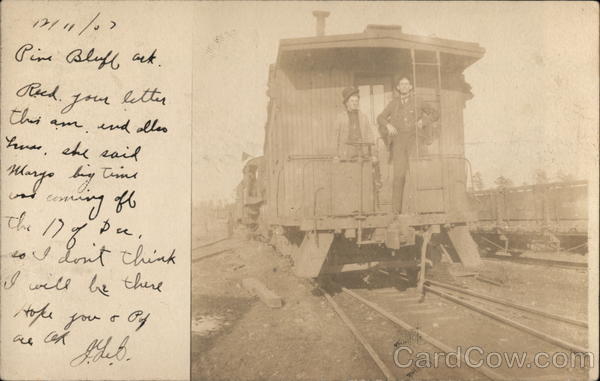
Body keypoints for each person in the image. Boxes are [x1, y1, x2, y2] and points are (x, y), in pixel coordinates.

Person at [377, 76, 439, 213]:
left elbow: (435, 113)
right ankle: (395, 211)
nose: (404, 86)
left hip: (414, 141)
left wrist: (424, 121)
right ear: (398, 88)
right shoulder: (393, 103)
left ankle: (421, 208)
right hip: (398, 142)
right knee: (398, 175)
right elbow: (380, 117)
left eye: (407, 84)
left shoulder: (418, 101)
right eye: (401, 84)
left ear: (411, 87)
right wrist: (388, 125)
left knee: (417, 173)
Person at [334, 86, 381, 187]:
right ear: (346, 103)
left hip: (361, 154)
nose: (355, 103)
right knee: (347, 183)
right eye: (352, 101)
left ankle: (377, 183)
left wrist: (374, 154)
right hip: (345, 155)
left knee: (363, 182)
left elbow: (370, 137)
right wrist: (335, 155)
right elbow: (335, 138)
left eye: (356, 100)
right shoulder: (340, 117)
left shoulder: (363, 117)